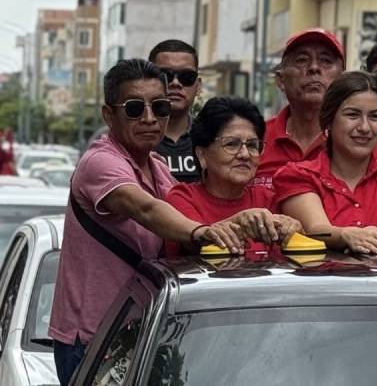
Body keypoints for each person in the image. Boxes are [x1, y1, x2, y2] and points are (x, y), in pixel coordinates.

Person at [48, 59, 247, 386]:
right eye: (135, 108)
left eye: (160, 107)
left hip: (140, 333)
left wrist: (242, 222)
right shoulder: (100, 163)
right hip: (92, 341)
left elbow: (184, 215)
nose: (150, 118)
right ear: (108, 115)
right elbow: (147, 210)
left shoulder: (157, 167)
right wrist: (202, 231)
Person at [273, 72, 377, 254]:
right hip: (319, 280)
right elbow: (316, 230)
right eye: (352, 115)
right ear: (328, 121)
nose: (364, 127)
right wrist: (346, 236)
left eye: (375, 116)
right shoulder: (297, 176)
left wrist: (362, 237)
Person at [255, 28, 377, 188]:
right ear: (281, 80)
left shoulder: (372, 140)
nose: (314, 68)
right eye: (301, 60)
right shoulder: (256, 139)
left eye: (326, 61)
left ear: (342, 77)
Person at [164, 96, 301, 257]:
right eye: (231, 144)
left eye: (252, 145)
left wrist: (295, 229)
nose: (244, 154)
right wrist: (239, 222)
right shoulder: (182, 199)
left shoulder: (268, 200)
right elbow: (196, 243)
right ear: (202, 155)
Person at [149, 39, 202, 182]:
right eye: (165, 76)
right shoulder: (124, 137)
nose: (175, 83)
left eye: (187, 77)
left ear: (198, 86)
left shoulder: (214, 139)